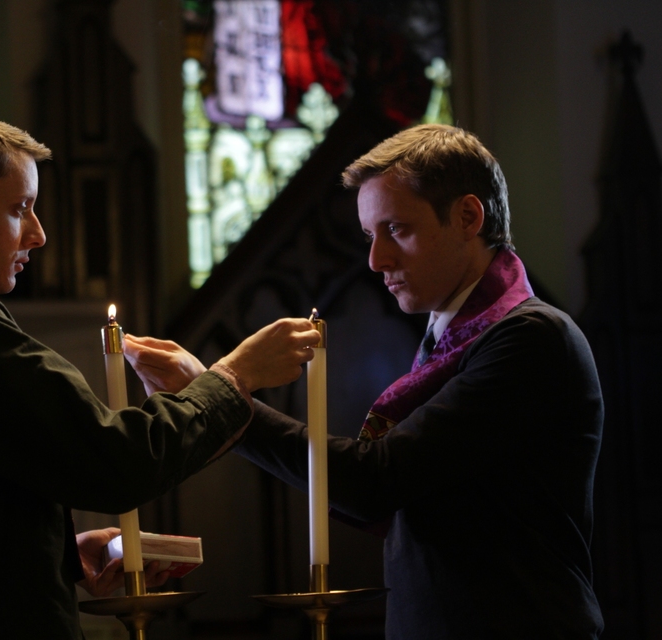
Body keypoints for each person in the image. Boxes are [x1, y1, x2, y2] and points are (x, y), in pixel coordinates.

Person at [0, 106, 320, 640]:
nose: (39, 234)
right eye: (20, 208)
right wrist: (234, 377)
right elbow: (118, 461)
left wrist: (59, 555)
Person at [124, 124, 605, 638]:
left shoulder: (532, 338)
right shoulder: (451, 338)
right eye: (371, 236)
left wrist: (226, 401)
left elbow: (378, 480)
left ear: (468, 217)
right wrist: (217, 397)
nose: (377, 260)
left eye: (396, 229)